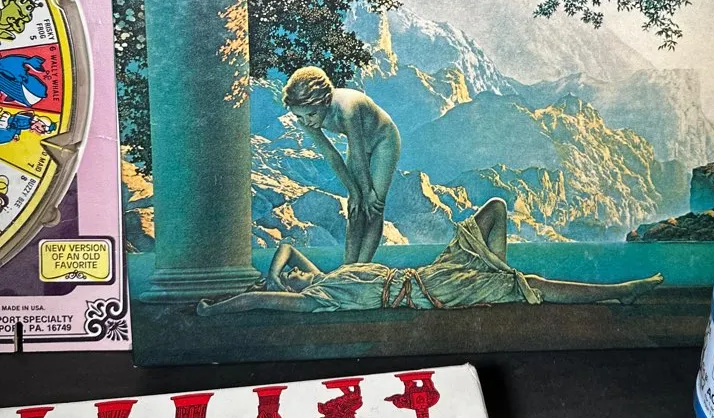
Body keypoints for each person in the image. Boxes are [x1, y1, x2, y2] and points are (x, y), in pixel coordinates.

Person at [198, 198, 663, 314]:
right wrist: (214, 309)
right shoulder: (318, 299)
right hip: (432, 291)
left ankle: (500, 273)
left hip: (433, 272)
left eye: (294, 278)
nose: (296, 277)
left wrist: (276, 274)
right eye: (293, 280)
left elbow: (287, 248)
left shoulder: (325, 277)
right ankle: (619, 291)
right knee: (533, 286)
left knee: (495, 209)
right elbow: (254, 301)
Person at [282, 66, 400, 264]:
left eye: (311, 115)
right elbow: (331, 155)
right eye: (300, 117)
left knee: (373, 207)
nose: (306, 122)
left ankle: (361, 267)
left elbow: (358, 152)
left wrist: (368, 192)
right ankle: (348, 266)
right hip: (359, 147)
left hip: (383, 141)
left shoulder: (347, 110)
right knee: (355, 207)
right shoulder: (304, 117)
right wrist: (354, 192)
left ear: (326, 101)